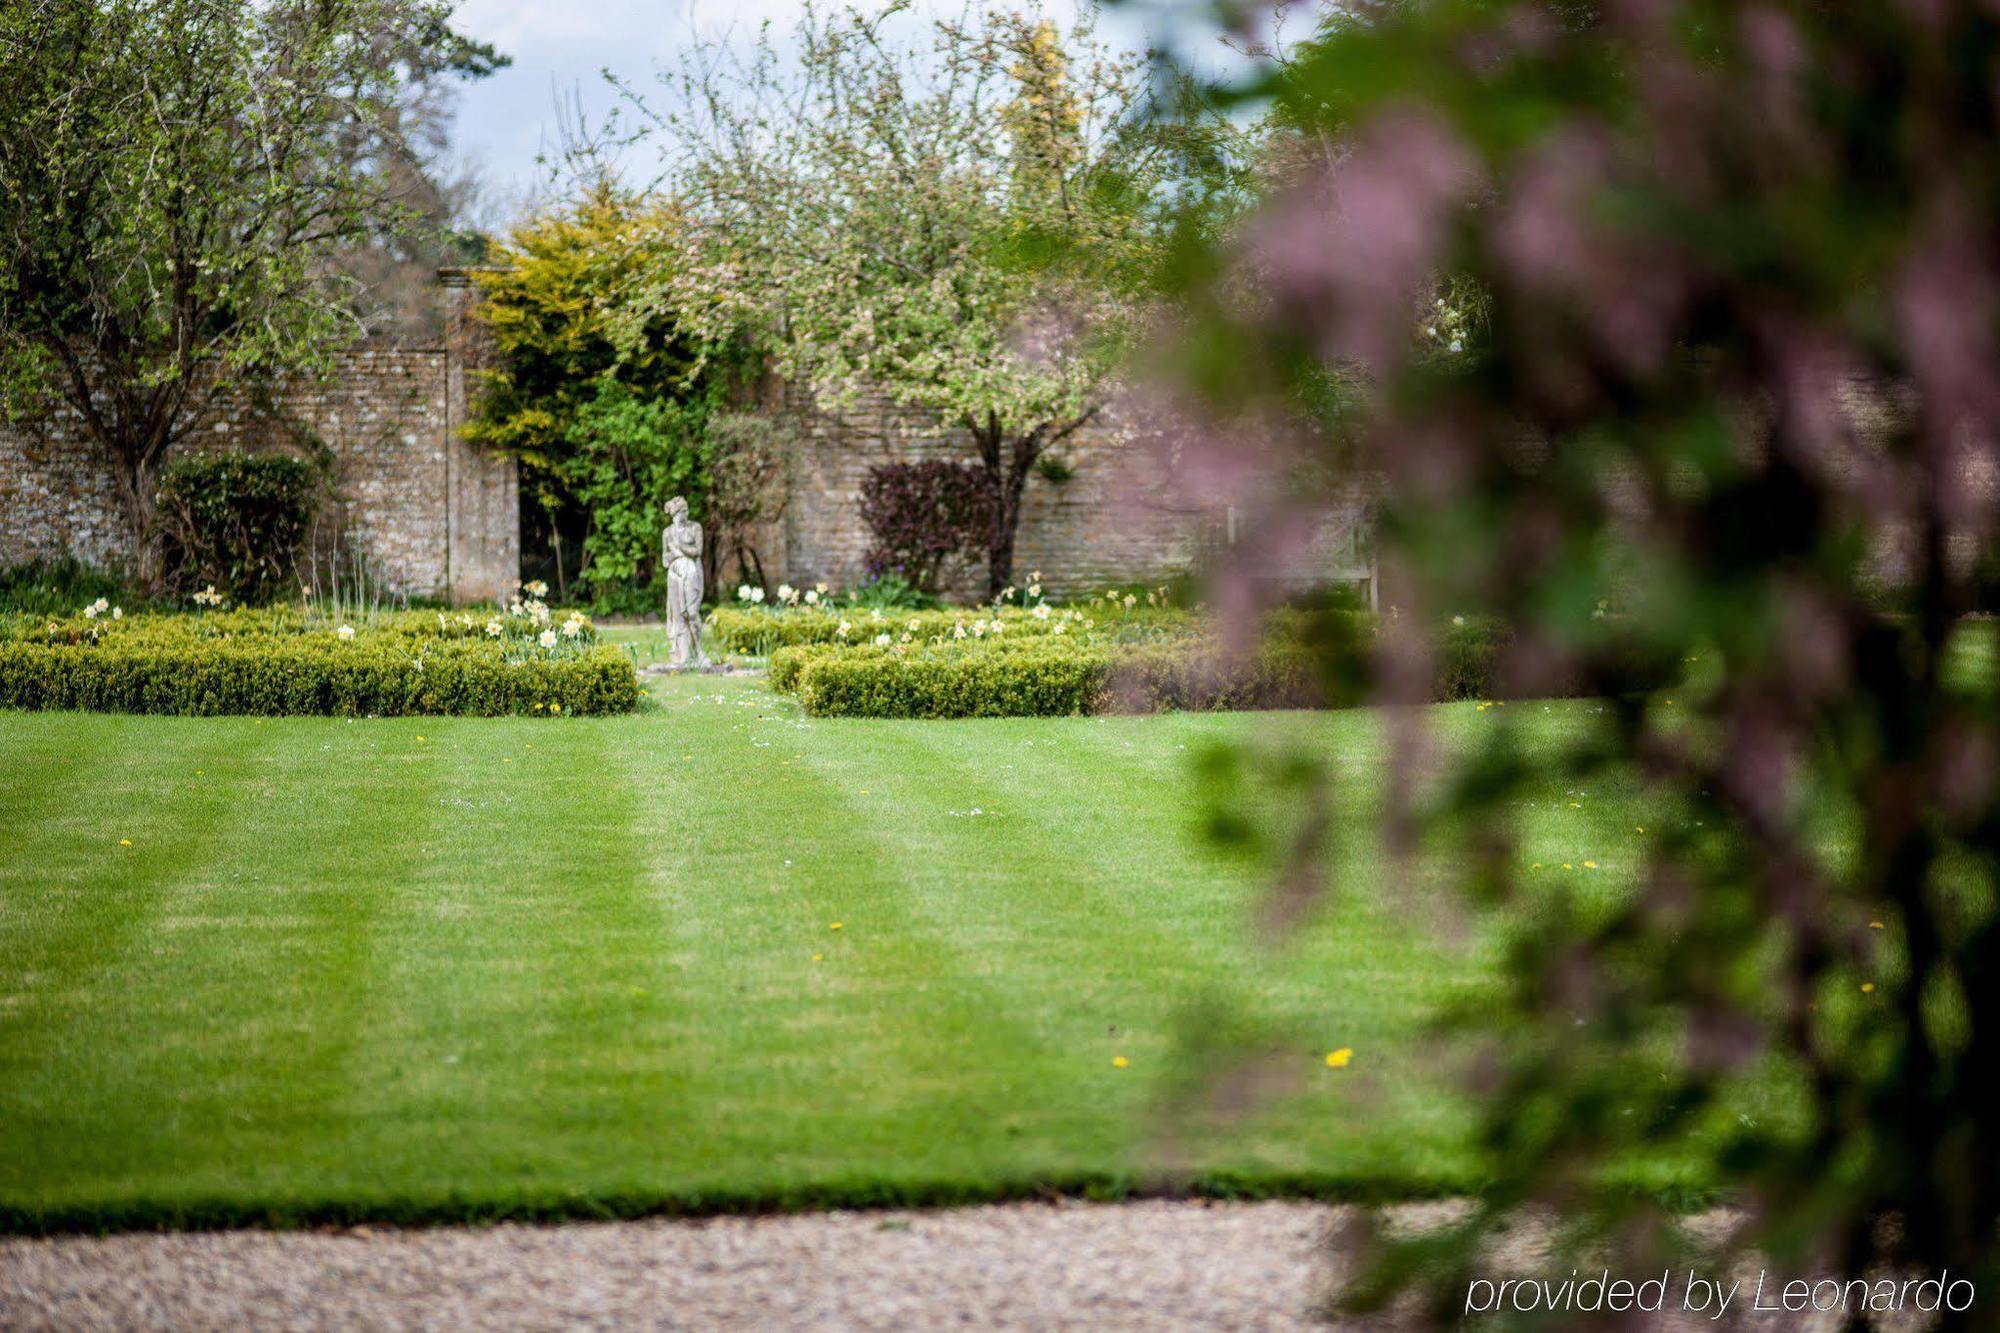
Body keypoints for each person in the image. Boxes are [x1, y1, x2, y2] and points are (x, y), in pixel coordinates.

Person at [663, 496, 708, 670]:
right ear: (675, 514)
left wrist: (680, 548)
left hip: (692, 572)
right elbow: (664, 559)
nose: (686, 513)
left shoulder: (695, 528)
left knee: (692, 612)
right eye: (682, 510)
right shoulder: (667, 533)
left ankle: (700, 651)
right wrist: (672, 557)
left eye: (687, 510)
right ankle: (683, 656)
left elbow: (697, 551)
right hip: (674, 574)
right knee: (677, 616)